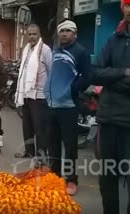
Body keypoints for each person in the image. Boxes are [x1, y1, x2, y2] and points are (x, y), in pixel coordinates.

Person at [90, 2, 130, 214]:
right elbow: (94, 72)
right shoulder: (113, 40)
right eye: (128, 5)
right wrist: (123, 72)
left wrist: (110, 78)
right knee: (107, 186)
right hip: (107, 121)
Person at [44, 19, 91, 196]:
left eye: (68, 31)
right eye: (61, 31)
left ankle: (71, 180)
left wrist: (72, 89)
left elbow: (87, 77)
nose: (64, 34)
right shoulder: (56, 49)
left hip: (68, 106)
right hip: (52, 105)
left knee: (70, 146)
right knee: (53, 144)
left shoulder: (80, 52)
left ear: (75, 34)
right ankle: (55, 176)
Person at [14, 24, 52, 159]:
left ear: (39, 34)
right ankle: (29, 152)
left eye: (34, 34)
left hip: (39, 96)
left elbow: (51, 71)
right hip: (26, 94)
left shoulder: (45, 50)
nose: (31, 37)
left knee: (40, 129)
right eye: (29, 34)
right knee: (27, 127)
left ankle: (41, 157)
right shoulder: (27, 50)